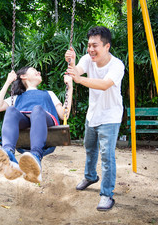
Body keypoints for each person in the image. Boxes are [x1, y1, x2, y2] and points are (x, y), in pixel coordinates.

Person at [65, 26, 125, 211]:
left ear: (107, 46)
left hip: (110, 115)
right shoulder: (88, 59)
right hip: (93, 114)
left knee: (107, 157)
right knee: (90, 148)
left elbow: (105, 84)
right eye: (89, 45)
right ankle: (90, 176)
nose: (91, 49)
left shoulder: (117, 65)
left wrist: (78, 79)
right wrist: (72, 63)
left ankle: (107, 194)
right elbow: (78, 70)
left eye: (95, 46)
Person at [0, 66, 73, 184]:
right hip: (25, 122)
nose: (39, 72)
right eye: (34, 70)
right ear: (23, 76)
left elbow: (64, 114)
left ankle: (35, 155)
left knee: (37, 110)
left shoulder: (49, 94)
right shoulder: (16, 97)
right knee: (10, 110)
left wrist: (70, 87)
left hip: (45, 122)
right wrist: (8, 82)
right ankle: (9, 156)